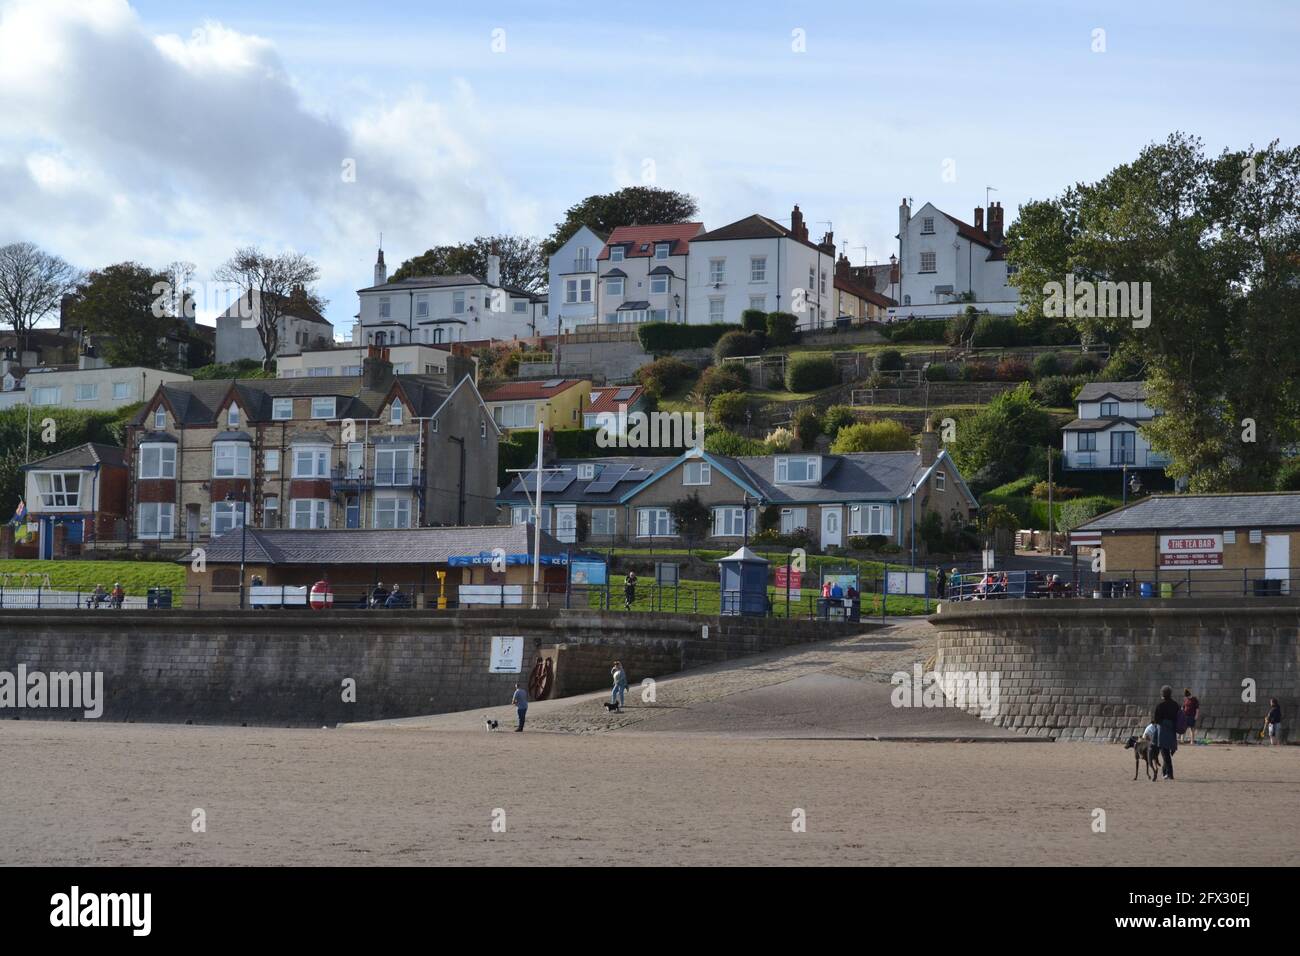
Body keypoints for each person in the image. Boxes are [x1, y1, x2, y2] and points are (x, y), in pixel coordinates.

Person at [1153, 685, 1180, 780]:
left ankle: (1170, 773)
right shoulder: (1176, 705)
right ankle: (1165, 772)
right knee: (1167, 752)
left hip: (1163, 730)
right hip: (1172, 729)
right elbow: (1178, 717)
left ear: (1162, 694)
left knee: (1164, 752)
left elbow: (1156, 719)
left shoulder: (1160, 705)